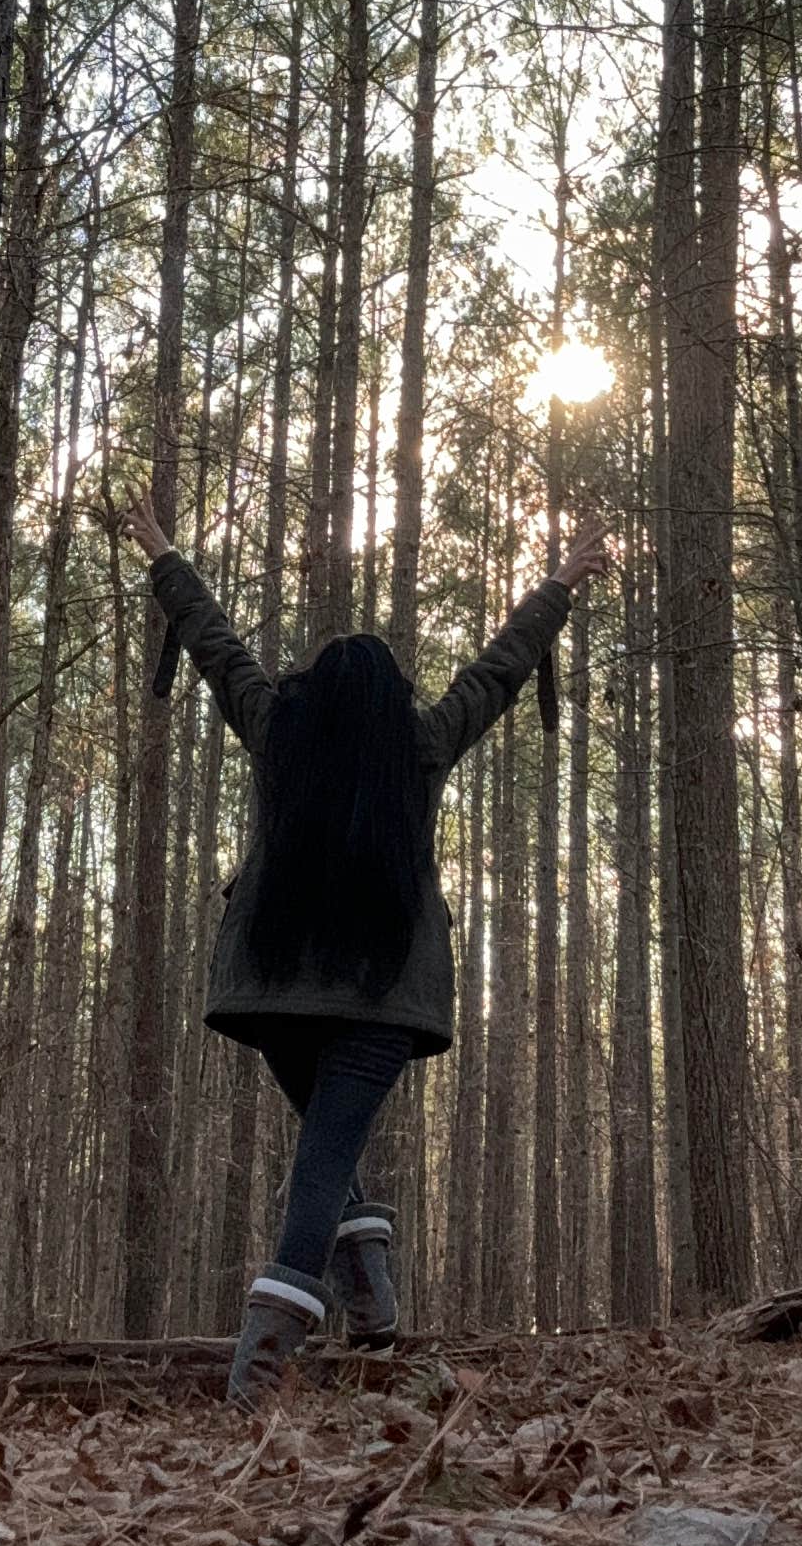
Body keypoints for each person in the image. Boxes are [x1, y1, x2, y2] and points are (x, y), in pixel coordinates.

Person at [122, 495, 609, 1406]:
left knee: (325, 1156)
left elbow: (217, 646)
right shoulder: (418, 746)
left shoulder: (279, 731)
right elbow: (498, 669)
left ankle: (325, 1328)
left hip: (276, 994)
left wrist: (165, 557)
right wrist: (558, 585)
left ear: (312, 694)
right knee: (324, 1162)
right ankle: (285, 1356)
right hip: (380, 1002)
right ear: (392, 701)